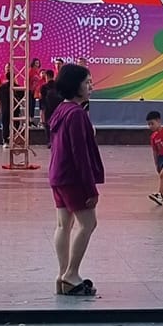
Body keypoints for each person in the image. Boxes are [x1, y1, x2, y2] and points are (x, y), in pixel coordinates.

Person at [48, 62, 103, 296]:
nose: (91, 86)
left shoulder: (61, 109)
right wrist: (91, 189)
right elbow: (80, 154)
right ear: (75, 85)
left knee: (64, 225)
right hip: (73, 178)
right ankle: (71, 274)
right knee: (88, 223)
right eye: (87, 82)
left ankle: (62, 276)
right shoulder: (77, 114)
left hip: (58, 175)